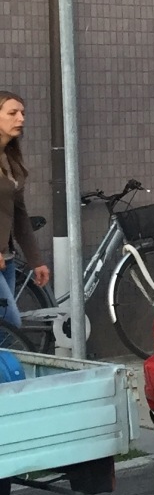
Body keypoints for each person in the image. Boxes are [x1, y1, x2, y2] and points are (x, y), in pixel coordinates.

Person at [0, 91, 51, 334]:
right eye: (12, 113)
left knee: (5, 328)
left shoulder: (11, 159)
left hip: (6, 258)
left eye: (22, 113)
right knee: (10, 325)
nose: (20, 118)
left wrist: (36, 260)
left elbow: (19, 215)